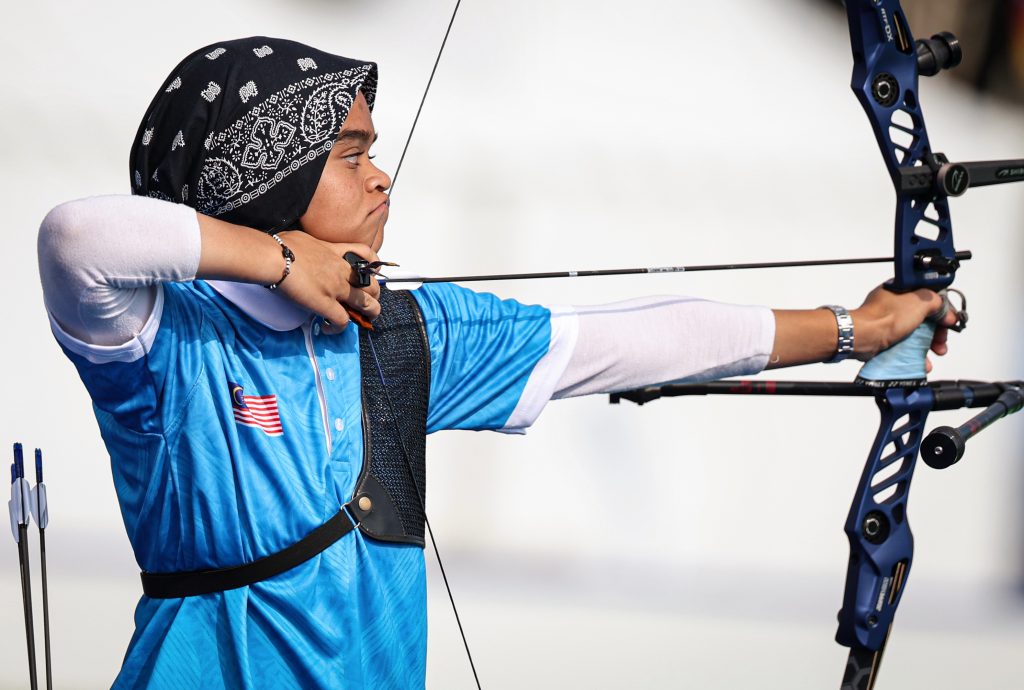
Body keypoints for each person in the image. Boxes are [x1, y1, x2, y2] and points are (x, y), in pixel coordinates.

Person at [36, 36, 954, 690]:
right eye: (349, 155)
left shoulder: (400, 335)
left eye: (375, 152)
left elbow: (622, 339)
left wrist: (851, 327)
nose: (380, 176)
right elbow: (75, 236)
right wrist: (281, 262)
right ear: (263, 177)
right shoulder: (168, 339)